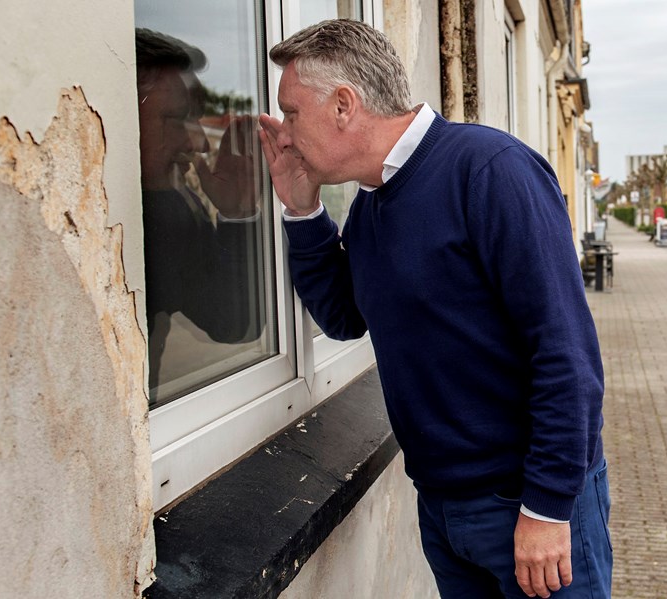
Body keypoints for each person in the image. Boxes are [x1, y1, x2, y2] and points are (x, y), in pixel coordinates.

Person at [258, 19, 610, 599]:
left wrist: (547, 508)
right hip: (445, 510)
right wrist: (302, 212)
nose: (286, 135)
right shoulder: (372, 205)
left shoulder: (491, 170)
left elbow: (567, 354)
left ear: (344, 104)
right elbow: (345, 317)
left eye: (292, 114)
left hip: (530, 505)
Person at [135, 28, 268, 400]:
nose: (199, 143)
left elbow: (233, 323)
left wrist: (238, 213)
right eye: (177, 119)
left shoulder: (170, 206)